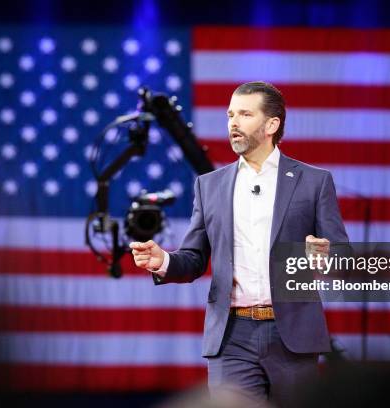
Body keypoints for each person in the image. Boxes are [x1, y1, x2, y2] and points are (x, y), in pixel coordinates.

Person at [131, 81, 349, 407]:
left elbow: (341, 256)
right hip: (231, 335)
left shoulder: (314, 182)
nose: (233, 122)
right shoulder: (210, 186)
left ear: (271, 125)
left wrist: (323, 256)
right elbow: (193, 258)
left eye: (245, 114)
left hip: (291, 333)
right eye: (230, 114)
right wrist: (163, 260)